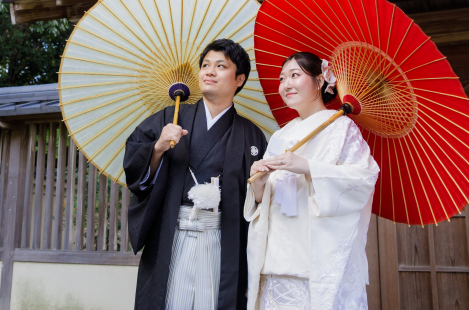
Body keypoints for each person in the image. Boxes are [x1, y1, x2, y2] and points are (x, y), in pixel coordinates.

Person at [124, 38, 268, 310]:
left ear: (239, 79)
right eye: (205, 65)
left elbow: (259, 200)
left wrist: (260, 183)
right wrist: (157, 148)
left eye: (220, 66)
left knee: (214, 301)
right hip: (173, 232)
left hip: (221, 238)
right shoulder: (170, 117)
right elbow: (134, 167)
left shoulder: (251, 135)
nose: (209, 71)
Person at [244, 52, 380, 310]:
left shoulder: (341, 128)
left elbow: (362, 179)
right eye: (282, 78)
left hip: (314, 258)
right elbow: (265, 200)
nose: (286, 84)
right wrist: (259, 183)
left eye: (295, 75)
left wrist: (308, 167)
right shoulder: (281, 135)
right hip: (274, 256)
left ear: (320, 81)